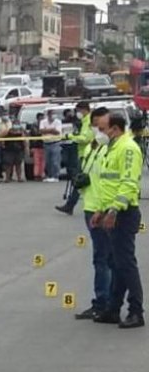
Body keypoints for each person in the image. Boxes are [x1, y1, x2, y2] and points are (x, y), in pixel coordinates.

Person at [92, 110, 144, 328]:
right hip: (111, 212)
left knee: (126, 264)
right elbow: (108, 184)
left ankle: (136, 311)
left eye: (103, 129)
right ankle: (114, 309)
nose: (100, 133)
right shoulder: (110, 148)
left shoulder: (128, 148)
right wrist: (101, 209)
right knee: (117, 263)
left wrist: (113, 210)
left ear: (115, 128)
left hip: (123, 213)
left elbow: (128, 183)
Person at [75, 107, 112, 321]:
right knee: (101, 257)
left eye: (101, 127)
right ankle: (103, 301)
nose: (97, 131)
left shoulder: (110, 149)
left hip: (102, 208)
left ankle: (104, 302)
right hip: (90, 205)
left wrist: (105, 209)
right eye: (95, 126)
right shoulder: (92, 147)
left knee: (104, 259)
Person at [57, 102, 94, 215]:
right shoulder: (84, 121)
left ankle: (70, 205)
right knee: (79, 181)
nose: (77, 114)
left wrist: (71, 136)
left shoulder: (89, 121)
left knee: (79, 181)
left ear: (84, 110)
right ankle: (70, 205)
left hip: (87, 155)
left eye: (78, 111)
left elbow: (85, 138)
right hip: (83, 154)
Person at [40, 109, 63, 182]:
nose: (53, 115)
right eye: (52, 114)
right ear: (48, 115)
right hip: (46, 143)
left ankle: (55, 176)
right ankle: (49, 176)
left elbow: (57, 132)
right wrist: (52, 130)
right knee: (47, 161)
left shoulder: (58, 122)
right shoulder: (43, 122)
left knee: (55, 161)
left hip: (55, 143)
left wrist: (47, 130)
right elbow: (41, 130)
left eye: (54, 114)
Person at [29, 113, 46, 181]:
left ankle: (42, 175)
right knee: (37, 162)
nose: (42, 119)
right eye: (41, 118)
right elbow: (35, 134)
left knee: (43, 162)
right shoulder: (34, 125)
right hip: (36, 146)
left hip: (44, 145)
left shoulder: (45, 125)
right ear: (38, 118)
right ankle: (36, 175)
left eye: (43, 117)